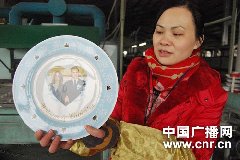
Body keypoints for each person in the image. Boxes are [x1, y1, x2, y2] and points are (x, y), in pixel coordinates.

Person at [35, 1, 228, 159]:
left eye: (177, 34)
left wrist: (117, 134)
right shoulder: (137, 71)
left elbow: (192, 154)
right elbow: (108, 122)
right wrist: (77, 135)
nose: (164, 40)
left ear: (198, 41)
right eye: (159, 31)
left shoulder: (207, 89)